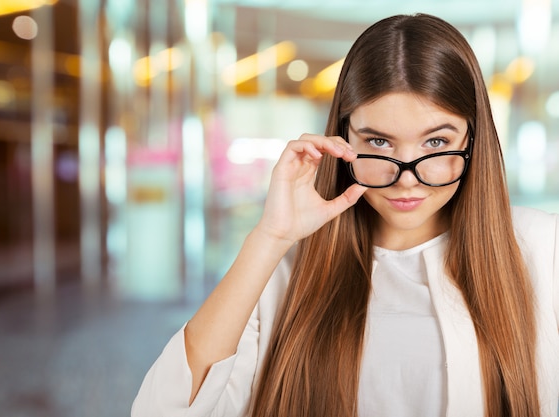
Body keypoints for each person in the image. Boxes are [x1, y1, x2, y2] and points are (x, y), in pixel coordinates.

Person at [132, 13, 558, 417]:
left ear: (472, 139)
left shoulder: (540, 249)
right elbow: (162, 410)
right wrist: (270, 237)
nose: (406, 178)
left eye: (434, 143)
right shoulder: (289, 270)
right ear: (342, 139)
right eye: (378, 143)